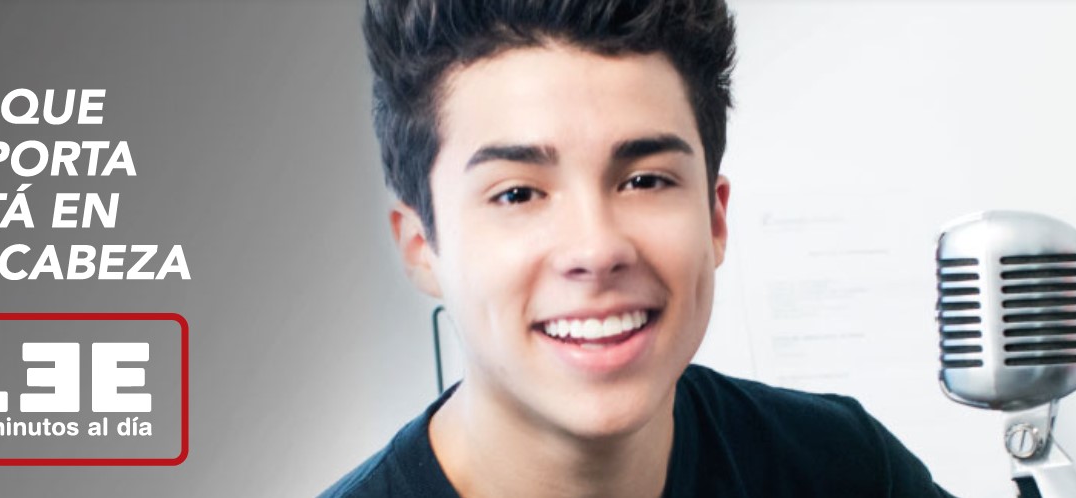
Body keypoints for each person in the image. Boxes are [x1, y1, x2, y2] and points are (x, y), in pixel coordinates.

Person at [325, 0, 955, 496]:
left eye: (645, 181)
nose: (597, 249)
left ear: (714, 218)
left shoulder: (847, 468)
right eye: (517, 193)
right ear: (421, 247)